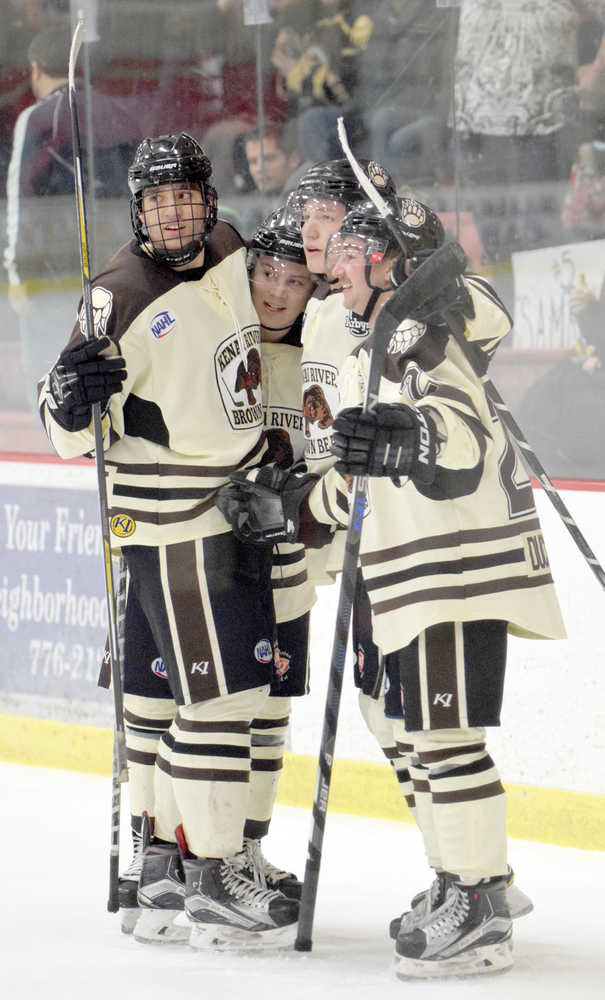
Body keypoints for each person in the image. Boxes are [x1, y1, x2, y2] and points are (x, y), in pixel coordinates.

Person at [219, 195, 566, 976]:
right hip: (414, 571)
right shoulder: (371, 340)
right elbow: (361, 474)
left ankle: (477, 901)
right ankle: (462, 885)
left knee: (446, 742)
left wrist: (416, 438)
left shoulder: (416, 335)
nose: (331, 265)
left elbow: (458, 435)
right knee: (423, 739)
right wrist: (297, 512)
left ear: (387, 264)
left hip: (453, 572)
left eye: (348, 251)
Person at [38, 131, 302, 951]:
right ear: (138, 209)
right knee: (219, 704)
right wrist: (68, 396)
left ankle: (158, 862)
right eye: (158, 201)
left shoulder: (230, 248)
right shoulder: (115, 294)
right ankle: (215, 874)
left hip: (231, 514)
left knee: (156, 708)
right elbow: (65, 434)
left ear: (209, 200)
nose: (176, 213)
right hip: (174, 523)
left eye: (186, 196)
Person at [3, 24, 137, 411]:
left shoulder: (39, 117)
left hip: (54, 265)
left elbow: (21, 201)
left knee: (49, 366)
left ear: (36, 68)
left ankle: (58, 442)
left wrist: (18, 276)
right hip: (114, 263)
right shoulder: (118, 111)